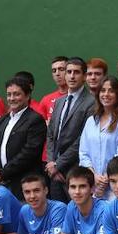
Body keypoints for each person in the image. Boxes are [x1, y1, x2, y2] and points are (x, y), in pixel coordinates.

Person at [46, 57, 96, 201]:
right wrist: (51, 164)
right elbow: (50, 135)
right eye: (68, 72)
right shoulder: (59, 101)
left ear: (85, 76)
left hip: (76, 171)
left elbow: (83, 138)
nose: (72, 76)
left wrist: (58, 164)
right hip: (54, 172)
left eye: (76, 72)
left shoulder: (91, 102)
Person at [0, 75, 47, 198]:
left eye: (16, 94)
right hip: (1, 182)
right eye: (9, 94)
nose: (12, 98)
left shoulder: (35, 120)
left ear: (27, 95)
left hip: (24, 183)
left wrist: (4, 172)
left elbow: (29, 152)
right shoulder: (4, 119)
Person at [79, 77, 118, 200]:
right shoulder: (91, 121)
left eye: (111, 91)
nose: (106, 94)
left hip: (117, 188)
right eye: (103, 90)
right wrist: (94, 176)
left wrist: (105, 180)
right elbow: (83, 154)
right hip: (93, 186)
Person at [39, 56, 69, 121]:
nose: (57, 74)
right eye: (54, 71)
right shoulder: (46, 100)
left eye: (61, 69)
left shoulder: (79, 97)